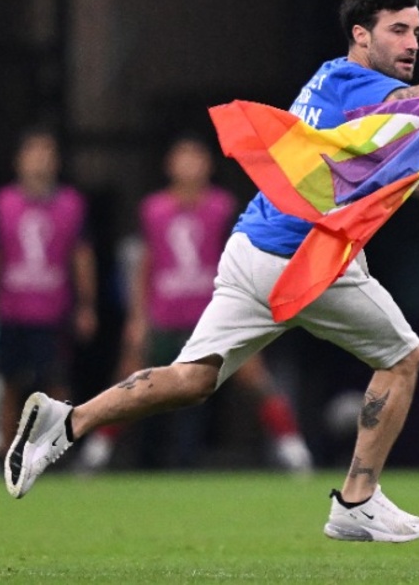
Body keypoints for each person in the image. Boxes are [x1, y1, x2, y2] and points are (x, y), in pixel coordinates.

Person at [4, 0, 419, 545]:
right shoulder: (361, 84)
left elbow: (396, 163)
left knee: (193, 378)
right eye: (399, 29)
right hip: (302, 255)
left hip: (252, 247)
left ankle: (67, 421)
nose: (412, 41)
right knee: (403, 358)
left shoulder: (329, 78)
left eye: (417, 31)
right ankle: (357, 500)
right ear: (360, 35)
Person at [78, 135, 312, 475]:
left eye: (196, 157)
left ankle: (294, 450)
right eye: (182, 157)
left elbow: (239, 257)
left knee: (253, 375)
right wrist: (137, 318)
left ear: (208, 165)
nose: (189, 165)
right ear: (169, 165)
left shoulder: (222, 206)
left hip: (212, 313)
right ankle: (96, 451)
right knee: (131, 377)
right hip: (164, 314)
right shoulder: (153, 209)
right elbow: (144, 264)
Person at [0, 128, 96, 456]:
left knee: (56, 382)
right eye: (33, 154)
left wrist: (86, 304)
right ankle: (4, 452)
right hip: (12, 309)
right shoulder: (3, 204)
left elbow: (81, 256)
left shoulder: (70, 205)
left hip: (52, 311)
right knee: (8, 382)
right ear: (19, 161)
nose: (39, 162)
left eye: (46, 155)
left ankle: (60, 449)